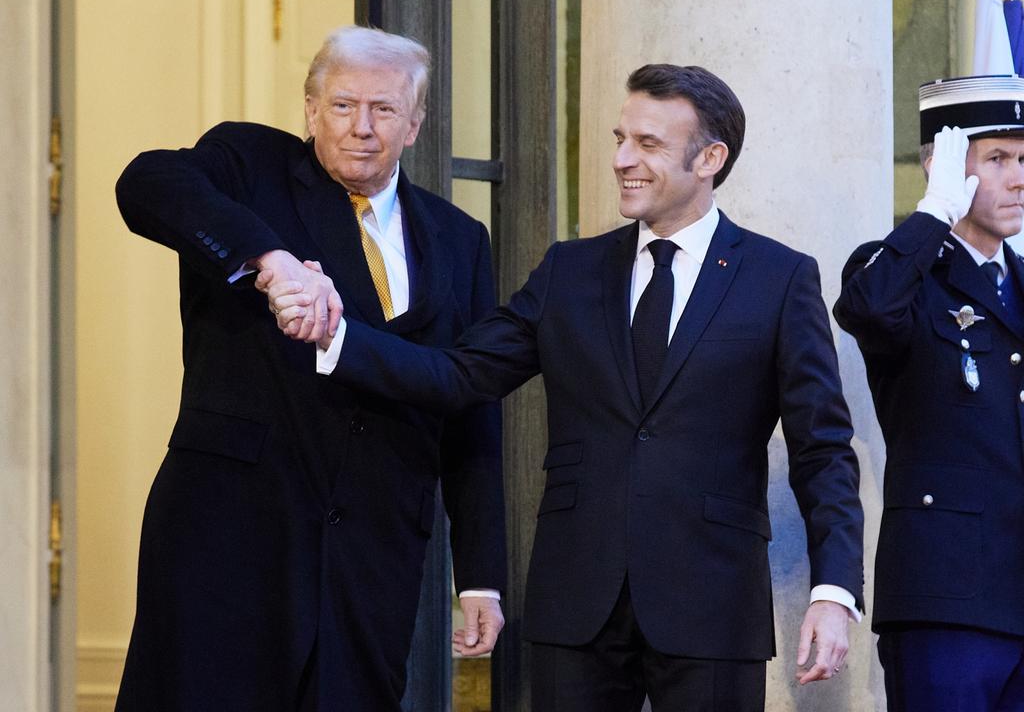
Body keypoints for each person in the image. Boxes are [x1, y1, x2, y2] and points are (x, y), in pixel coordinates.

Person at [270, 64, 865, 711]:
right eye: (620, 138)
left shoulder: (780, 279)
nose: (621, 160)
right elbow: (459, 374)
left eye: (647, 145)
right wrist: (338, 337)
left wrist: (833, 593)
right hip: (575, 600)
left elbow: (822, 450)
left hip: (711, 603)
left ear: (710, 159)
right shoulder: (569, 271)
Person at [114, 25, 506, 712]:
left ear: (413, 125)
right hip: (231, 536)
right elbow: (145, 182)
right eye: (344, 105)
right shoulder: (248, 163)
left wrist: (480, 577)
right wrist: (271, 261)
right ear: (311, 111)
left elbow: (470, 412)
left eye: (383, 110)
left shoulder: (460, 239)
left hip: (373, 554)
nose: (361, 128)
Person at [835, 75, 1024, 711]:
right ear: (939, 166)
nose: (1018, 177)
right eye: (996, 159)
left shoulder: (1021, 285)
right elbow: (866, 308)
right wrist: (932, 212)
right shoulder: (899, 273)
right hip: (946, 602)